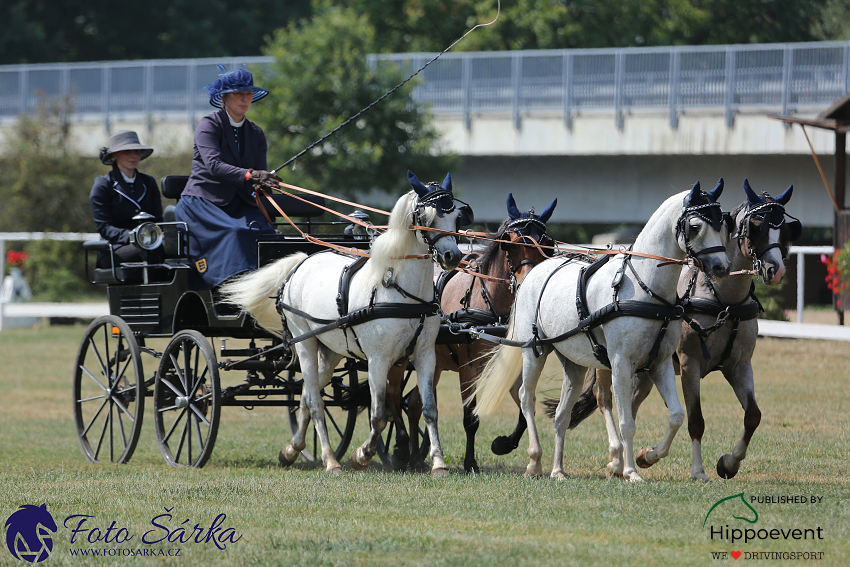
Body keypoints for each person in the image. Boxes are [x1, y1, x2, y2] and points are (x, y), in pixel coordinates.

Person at [175, 65, 281, 290]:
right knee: (237, 233)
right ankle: (232, 288)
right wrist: (249, 174)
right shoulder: (208, 125)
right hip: (204, 202)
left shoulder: (256, 133)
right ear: (224, 97)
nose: (245, 99)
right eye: (238, 94)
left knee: (270, 236)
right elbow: (213, 165)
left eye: (249, 94)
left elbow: (259, 175)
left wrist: (266, 182)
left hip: (241, 203)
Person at [89, 130, 163, 268]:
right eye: (127, 152)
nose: (133, 156)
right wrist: (135, 236)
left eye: (137, 151)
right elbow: (105, 228)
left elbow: (158, 219)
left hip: (149, 242)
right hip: (115, 248)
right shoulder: (103, 185)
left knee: (177, 249)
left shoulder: (149, 183)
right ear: (115, 155)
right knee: (152, 250)